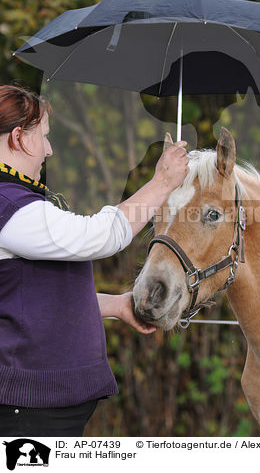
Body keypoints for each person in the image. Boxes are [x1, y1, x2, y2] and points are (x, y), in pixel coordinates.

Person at [0, 84, 189, 437]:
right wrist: (162, 183)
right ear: (17, 139)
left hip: (43, 406)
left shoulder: (16, 202)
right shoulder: (8, 207)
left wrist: (115, 306)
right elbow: (98, 236)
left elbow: (33, 298)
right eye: (43, 137)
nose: (49, 150)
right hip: (29, 411)